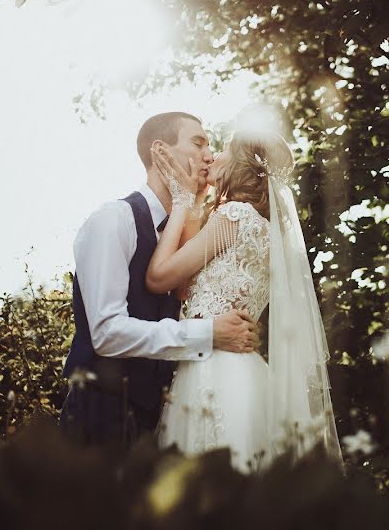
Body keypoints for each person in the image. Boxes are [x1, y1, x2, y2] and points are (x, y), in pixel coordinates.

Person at [147, 124, 343, 473]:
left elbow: (159, 277)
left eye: (221, 150)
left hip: (213, 371)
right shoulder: (271, 232)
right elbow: (187, 289)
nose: (212, 156)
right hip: (248, 372)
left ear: (238, 163)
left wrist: (180, 201)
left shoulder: (232, 216)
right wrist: (194, 198)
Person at [59, 112, 260, 446]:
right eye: (198, 143)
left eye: (210, 146)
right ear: (160, 152)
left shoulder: (185, 236)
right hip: (99, 421)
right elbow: (107, 333)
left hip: (161, 423)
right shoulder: (113, 220)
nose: (209, 156)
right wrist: (208, 333)